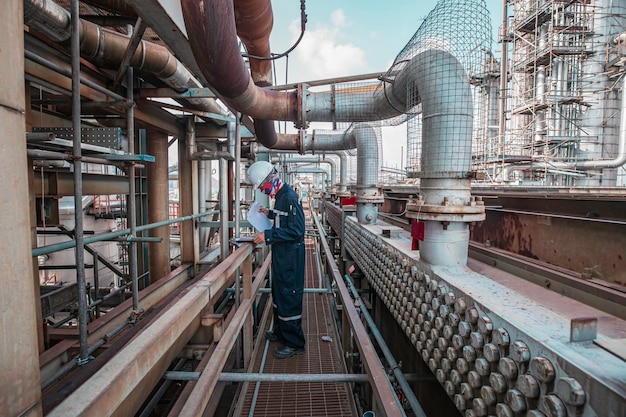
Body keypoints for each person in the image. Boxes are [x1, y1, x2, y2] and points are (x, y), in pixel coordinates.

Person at [247, 161, 306, 359]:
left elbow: (297, 230)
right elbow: (285, 219)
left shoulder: (288, 197)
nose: (263, 190)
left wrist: (268, 236)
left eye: (263, 186)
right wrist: (269, 213)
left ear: (271, 179)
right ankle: (281, 332)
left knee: (289, 294)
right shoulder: (281, 197)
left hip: (290, 257)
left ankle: (294, 343)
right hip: (282, 255)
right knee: (279, 292)